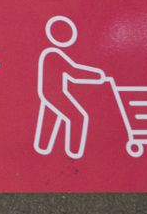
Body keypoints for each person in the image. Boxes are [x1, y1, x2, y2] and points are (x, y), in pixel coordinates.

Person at [34, 16, 107, 160]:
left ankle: (42, 147)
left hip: (49, 93)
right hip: (54, 93)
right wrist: (98, 75)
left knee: (50, 117)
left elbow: (71, 71)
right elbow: (73, 72)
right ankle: (74, 154)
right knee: (77, 118)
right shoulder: (53, 54)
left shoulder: (51, 54)